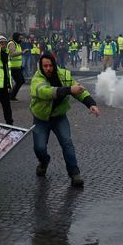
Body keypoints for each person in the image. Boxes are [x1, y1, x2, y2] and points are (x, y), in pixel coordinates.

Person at [30, 51, 99, 188]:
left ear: (55, 65)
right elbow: (46, 92)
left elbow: (79, 90)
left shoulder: (64, 74)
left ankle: (75, 174)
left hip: (59, 117)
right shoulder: (37, 78)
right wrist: (69, 90)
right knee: (40, 148)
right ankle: (44, 162)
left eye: (50, 65)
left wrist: (91, 103)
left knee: (67, 143)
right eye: (45, 66)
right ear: (41, 67)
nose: (48, 68)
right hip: (41, 119)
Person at [7, 32, 25, 101]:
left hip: (17, 67)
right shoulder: (12, 43)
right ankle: (11, 96)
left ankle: (10, 94)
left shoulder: (17, 44)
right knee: (19, 81)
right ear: (16, 38)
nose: (21, 39)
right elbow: (12, 54)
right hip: (12, 67)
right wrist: (22, 52)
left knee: (21, 81)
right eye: (20, 38)